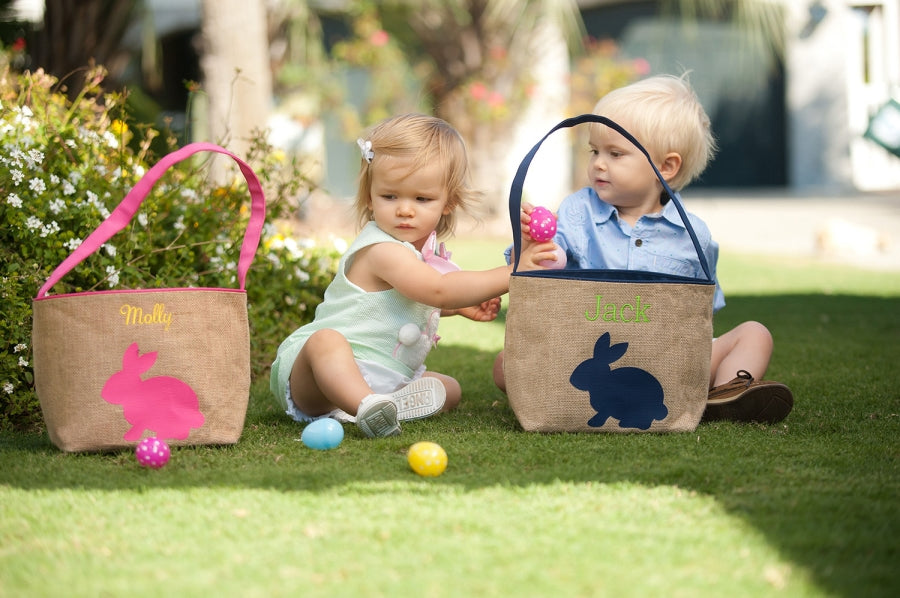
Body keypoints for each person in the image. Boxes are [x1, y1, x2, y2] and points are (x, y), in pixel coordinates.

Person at [493, 74, 794, 424]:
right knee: (505, 366)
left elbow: (701, 311)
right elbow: (550, 262)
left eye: (615, 153)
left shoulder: (691, 233)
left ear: (665, 167)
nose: (598, 163)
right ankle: (690, 398)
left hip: (668, 359)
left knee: (755, 334)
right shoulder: (579, 211)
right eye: (595, 151)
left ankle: (724, 393)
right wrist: (536, 247)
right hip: (583, 351)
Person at [270, 114, 555, 438]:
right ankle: (365, 406)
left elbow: (411, 299)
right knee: (326, 342)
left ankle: (380, 403)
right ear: (369, 196)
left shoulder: (419, 254)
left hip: (384, 371)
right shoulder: (381, 250)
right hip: (315, 378)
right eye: (390, 196)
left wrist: (459, 308)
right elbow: (437, 290)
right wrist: (511, 273)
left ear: (449, 202)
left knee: (449, 390)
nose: (405, 209)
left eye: (422, 199)